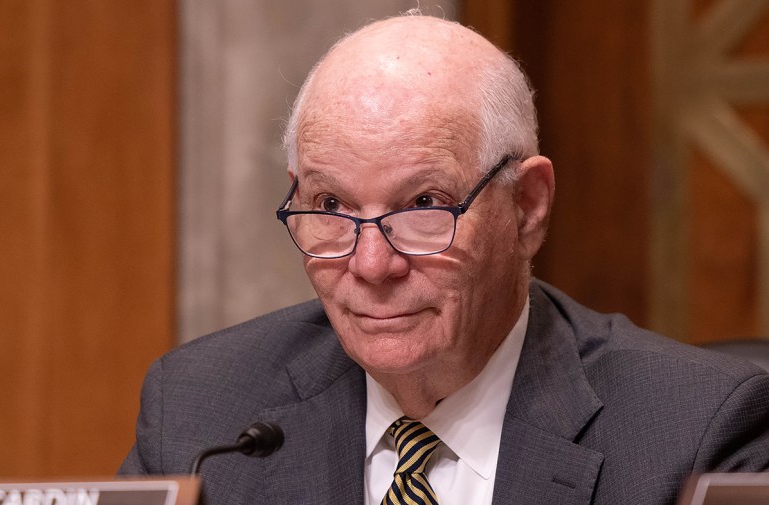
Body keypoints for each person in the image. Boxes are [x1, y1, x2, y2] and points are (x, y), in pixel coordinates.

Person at [119, 14, 769, 505]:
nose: (371, 264)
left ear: (528, 205)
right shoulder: (203, 415)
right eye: (331, 204)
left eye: (423, 202)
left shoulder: (694, 434)